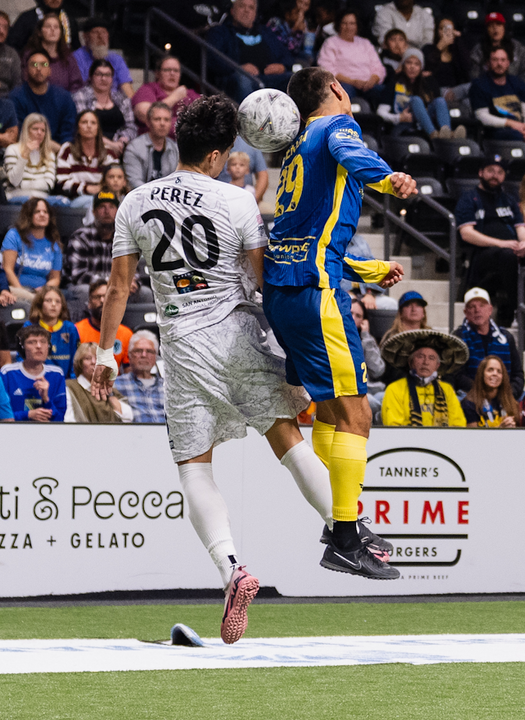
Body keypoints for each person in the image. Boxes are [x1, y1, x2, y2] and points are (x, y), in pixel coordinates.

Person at [87, 93, 394, 645]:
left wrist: (106, 354)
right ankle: (345, 530)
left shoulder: (134, 201)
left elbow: (118, 288)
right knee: (288, 439)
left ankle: (232, 570)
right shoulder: (235, 199)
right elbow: (262, 278)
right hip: (240, 334)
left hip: (183, 345)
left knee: (194, 467)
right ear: (216, 155)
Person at [259, 70, 412, 581]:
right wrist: (390, 179)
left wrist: (366, 270)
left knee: (330, 412)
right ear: (338, 92)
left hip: (285, 291)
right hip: (316, 296)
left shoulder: (295, 150)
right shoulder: (336, 127)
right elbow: (354, 154)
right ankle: (345, 538)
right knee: (358, 415)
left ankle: (343, 521)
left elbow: (306, 238)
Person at [455, 154, 525, 326]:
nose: (495, 175)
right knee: (508, 256)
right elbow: (467, 234)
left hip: (510, 250)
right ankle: (516, 310)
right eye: (490, 171)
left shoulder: (509, 200)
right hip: (481, 253)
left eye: (499, 172)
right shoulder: (469, 198)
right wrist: (502, 244)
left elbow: (521, 229)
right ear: (481, 172)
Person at [206, 0, 292, 101]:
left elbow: (287, 56)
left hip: (268, 78)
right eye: (242, 6)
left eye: (251, 8)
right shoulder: (220, 31)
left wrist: (282, 66)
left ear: (255, 14)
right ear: (232, 11)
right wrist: (238, 68)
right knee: (243, 80)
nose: (246, 10)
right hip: (237, 78)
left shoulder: (266, 32)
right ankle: (249, 111)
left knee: (294, 79)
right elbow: (213, 58)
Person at [379, 329, 467, 427]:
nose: (426, 362)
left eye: (431, 358)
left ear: (437, 365)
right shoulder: (395, 389)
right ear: (410, 362)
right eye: (420, 356)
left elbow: (458, 425)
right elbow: (394, 427)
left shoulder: (447, 390)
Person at [470, 46, 525, 145]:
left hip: (520, 128)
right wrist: (510, 123)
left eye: (503, 60)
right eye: (495, 60)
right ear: (488, 63)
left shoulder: (517, 83)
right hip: (496, 130)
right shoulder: (479, 85)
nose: (499, 64)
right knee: (515, 136)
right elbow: (481, 116)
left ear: (508, 63)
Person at [450, 287, 524, 396]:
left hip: (504, 395)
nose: (477, 310)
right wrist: (484, 392)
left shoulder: (506, 337)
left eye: (482, 305)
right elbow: (456, 375)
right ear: (466, 312)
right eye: (472, 306)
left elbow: (518, 375)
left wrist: (508, 394)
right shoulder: (458, 337)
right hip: (471, 395)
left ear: (490, 309)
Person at [66, 191, 145, 291]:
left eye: (111, 207)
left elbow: (134, 272)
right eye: (102, 207)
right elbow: (78, 275)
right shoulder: (81, 237)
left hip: (118, 289)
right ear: (94, 212)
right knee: (83, 290)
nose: (107, 211)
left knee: (145, 293)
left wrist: (132, 283)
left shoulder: (125, 238)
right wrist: (112, 283)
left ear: (117, 212)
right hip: (90, 289)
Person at [376, 48, 457, 139]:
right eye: (409, 63)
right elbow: (380, 112)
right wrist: (398, 117)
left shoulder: (426, 83)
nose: (412, 67)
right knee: (416, 99)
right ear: (403, 65)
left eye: (417, 64)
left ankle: (447, 133)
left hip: (421, 124)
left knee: (440, 101)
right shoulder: (394, 83)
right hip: (403, 125)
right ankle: (433, 134)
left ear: (421, 68)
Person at [73, 58, 138, 156]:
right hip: (90, 148)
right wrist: (110, 145)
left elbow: (131, 126)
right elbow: (83, 126)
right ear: (91, 77)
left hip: (120, 148)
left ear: (112, 78)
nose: (103, 79)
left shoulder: (122, 99)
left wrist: (121, 141)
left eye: (107, 75)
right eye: (99, 74)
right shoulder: (81, 96)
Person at [10, 50, 78, 144]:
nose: (39, 68)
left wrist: (62, 149)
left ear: (50, 70)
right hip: (26, 147)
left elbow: (68, 132)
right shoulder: (16, 96)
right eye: (34, 65)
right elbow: (19, 131)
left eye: (44, 65)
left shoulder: (64, 97)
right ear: (26, 71)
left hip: (58, 148)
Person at [1, 325, 67, 422]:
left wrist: (46, 399)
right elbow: (0, 416)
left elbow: (60, 418)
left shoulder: (57, 374)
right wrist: (28, 415)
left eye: (43, 342)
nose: (39, 346)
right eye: (32, 342)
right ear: (22, 347)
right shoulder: (8, 373)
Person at [1, 197, 62, 299]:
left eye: (45, 212)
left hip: (42, 293)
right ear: (28, 215)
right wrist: (22, 292)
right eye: (37, 211)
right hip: (16, 289)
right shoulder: (14, 235)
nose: (42, 214)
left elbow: (55, 278)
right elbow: (7, 269)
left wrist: (44, 290)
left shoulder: (54, 243)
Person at [55, 111, 118, 208]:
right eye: (84, 122)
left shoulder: (109, 153)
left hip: (105, 196)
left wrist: (103, 189)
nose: (89, 126)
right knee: (91, 202)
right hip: (76, 198)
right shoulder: (67, 150)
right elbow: (61, 182)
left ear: (98, 128)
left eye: (93, 123)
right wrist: (86, 188)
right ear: (77, 127)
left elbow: (116, 177)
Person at [316, 11, 384, 99]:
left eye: (352, 23)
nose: (348, 27)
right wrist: (353, 82)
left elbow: (378, 67)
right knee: (343, 92)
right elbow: (327, 69)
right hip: (345, 83)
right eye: (344, 23)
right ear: (339, 25)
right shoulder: (331, 42)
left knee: (386, 91)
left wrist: (372, 81)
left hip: (368, 84)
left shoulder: (365, 43)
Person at [131, 55, 199, 136]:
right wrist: (174, 97)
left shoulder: (189, 94)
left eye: (176, 70)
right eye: (167, 70)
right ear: (157, 73)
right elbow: (145, 114)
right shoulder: (148, 89)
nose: (172, 73)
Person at [3, 114, 62, 204]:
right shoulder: (12, 150)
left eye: (43, 130)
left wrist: (25, 186)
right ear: (26, 130)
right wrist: (24, 155)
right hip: (17, 196)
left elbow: (48, 185)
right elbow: (14, 182)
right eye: (35, 129)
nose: (39, 133)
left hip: (42, 197)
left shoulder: (49, 154)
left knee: (63, 202)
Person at [466, 12, 525, 89]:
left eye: (498, 24)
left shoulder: (517, 48)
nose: (495, 28)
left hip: (514, 91)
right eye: (491, 25)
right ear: (487, 29)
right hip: (487, 91)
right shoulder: (478, 50)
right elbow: (474, 75)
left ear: (504, 27)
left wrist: (520, 89)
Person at [24, 285, 79, 377]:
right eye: (48, 300)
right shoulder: (29, 326)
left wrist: (71, 382)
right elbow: (22, 357)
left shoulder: (70, 328)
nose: (53, 304)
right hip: (36, 379)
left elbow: (75, 359)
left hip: (65, 382)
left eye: (58, 301)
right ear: (40, 304)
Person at [67, 342, 130, 422]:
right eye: (87, 358)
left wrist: (113, 400)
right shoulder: (70, 387)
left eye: (97, 358)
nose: (93, 362)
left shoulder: (110, 389)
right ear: (80, 363)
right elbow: (69, 420)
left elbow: (128, 417)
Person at [77, 279, 132, 368]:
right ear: (89, 303)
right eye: (97, 297)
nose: (102, 300)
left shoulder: (126, 334)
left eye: (107, 296)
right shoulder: (77, 331)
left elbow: (129, 371)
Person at [72, 18, 134, 97]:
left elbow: (127, 88)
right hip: (87, 100)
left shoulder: (116, 59)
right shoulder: (76, 58)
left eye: (104, 32)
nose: (100, 36)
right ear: (85, 36)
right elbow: (78, 90)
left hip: (115, 101)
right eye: (95, 32)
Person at [122, 103, 178, 189]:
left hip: (169, 195)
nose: (162, 123)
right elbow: (134, 182)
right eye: (157, 119)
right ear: (148, 122)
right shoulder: (134, 148)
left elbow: (179, 180)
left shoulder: (176, 149)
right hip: (142, 195)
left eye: (166, 120)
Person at [23, 13, 81, 94]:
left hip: (64, 100)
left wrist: (66, 99)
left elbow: (76, 85)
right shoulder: (30, 55)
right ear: (40, 32)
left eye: (56, 27)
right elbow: (25, 81)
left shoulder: (68, 57)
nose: (52, 30)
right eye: (48, 26)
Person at [114, 330, 164, 423]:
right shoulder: (115, 385)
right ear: (129, 355)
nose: (144, 355)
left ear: (155, 356)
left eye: (149, 351)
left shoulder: (168, 388)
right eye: (138, 351)